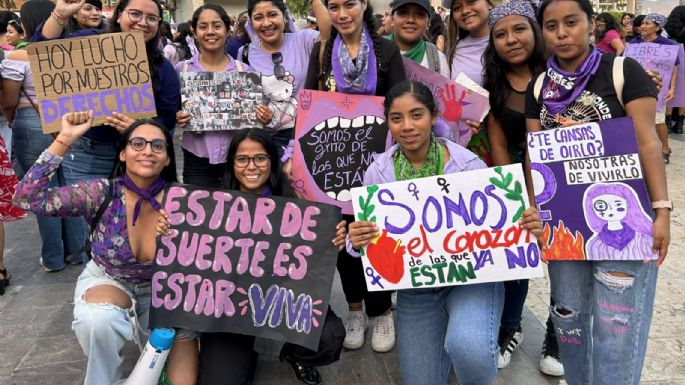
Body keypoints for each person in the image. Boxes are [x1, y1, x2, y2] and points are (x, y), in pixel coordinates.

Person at [348, 80, 544, 385]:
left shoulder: (468, 165)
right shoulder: (378, 171)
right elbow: (369, 240)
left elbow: (504, 220)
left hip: (472, 280)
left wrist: (527, 221)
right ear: (388, 122)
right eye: (396, 118)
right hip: (417, 290)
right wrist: (356, 239)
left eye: (417, 115)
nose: (407, 126)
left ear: (434, 115)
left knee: (471, 349)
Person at [526, 1, 670, 384]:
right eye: (551, 25)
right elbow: (534, 157)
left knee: (616, 327)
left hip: (626, 223)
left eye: (571, 22)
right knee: (569, 322)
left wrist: (662, 211)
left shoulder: (623, 71)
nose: (562, 32)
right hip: (566, 230)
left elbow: (647, 145)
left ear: (590, 24)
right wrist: (536, 211)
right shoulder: (539, 86)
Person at [13, 112, 198, 385]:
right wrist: (64, 139)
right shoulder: (100, 192)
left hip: (165, 291)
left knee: (180, 381)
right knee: (99, 321)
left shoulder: (186, 202)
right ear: (122, 154)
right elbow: (27, 198)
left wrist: (181, 237)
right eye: (137, 144)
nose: (148, 150)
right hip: (111, 281)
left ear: (168, 158)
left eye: (158, 145)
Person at [156, 128, 348, 385]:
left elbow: (315, 259)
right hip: (228, 308)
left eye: (260, 158)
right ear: (232, 163)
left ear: (271, 161)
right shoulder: (210, 205)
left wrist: (335, 238)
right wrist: (167, 229)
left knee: (329, 337)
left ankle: (295, 354)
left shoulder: (293, 201)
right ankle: (245, 355)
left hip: (281, 299)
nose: (251, 166)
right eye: (242, 159)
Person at [304, 0, 406, 354]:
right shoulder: (321, 52)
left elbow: (399, 101)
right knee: (344, 236)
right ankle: (355, 310)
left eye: (350, 4)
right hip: (334, 158)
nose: (343, 13)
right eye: (334, 6)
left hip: (377, 159)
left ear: (364, 5)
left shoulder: (386, 50)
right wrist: (296, 155)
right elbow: (308, 101)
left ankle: (381, 311)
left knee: (376, 232)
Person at [482, 0, 564, 376]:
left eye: (519, 30)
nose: (511, 40)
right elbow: (498, 145)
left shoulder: (565, 73)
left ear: (535, 32)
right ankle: (509, 327)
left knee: (566, 261)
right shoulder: (495, 86)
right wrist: (518, 197)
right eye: (500, 34)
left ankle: (559, 332)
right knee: (517, 258)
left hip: (569, 185)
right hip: (520, 182)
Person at [1, 0, 86, 272]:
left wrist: (12, 116)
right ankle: (76, 251)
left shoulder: (16, 57)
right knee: (67, 188)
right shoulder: (69, 53)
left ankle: (52, 257)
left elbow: (9, 100)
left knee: (40, 189)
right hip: (65, 122)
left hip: (31, 122)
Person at [174, 5, 270, 189]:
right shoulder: (181, 70)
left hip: (237, 160)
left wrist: (265, 116)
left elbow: (258, 117)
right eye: (203, 27)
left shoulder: (245, 72)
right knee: (200, 213)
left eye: (217, 26)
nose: (210, 32)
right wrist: (179, 116)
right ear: (194, 32)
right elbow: (172, 110)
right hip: (196, 160)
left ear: (227, 30)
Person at [237, 0, 330, 149]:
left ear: (284, 16)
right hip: (266, 140)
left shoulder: (303, 40)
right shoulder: (245, 53)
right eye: (258, 17)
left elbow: (328, 35)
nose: (266, 23)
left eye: (273, 15)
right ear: (251, 22)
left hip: (307, 133)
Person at [631, 12, 678, 163]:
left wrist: (672, 88)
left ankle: (664, 148)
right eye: (642, 23)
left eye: (647, 23)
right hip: (637, 85)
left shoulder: (668, 45)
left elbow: (674, 67)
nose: (643, 26)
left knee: (658, 119)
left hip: (658, 87)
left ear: (658, 27)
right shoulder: (634, 43)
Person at [389, 0, 450, 78]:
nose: (411, 20)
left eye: (419, 14)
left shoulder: (438, 61)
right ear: (392, 19)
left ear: (428, 23)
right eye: (403, 12)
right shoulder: (373, 50)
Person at [665, 5, 685, 134]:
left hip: (670, 57)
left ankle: (667, 121)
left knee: (670, 87)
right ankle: (679, 125)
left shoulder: (667, 28)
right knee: (683, 91)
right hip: (684, 58)